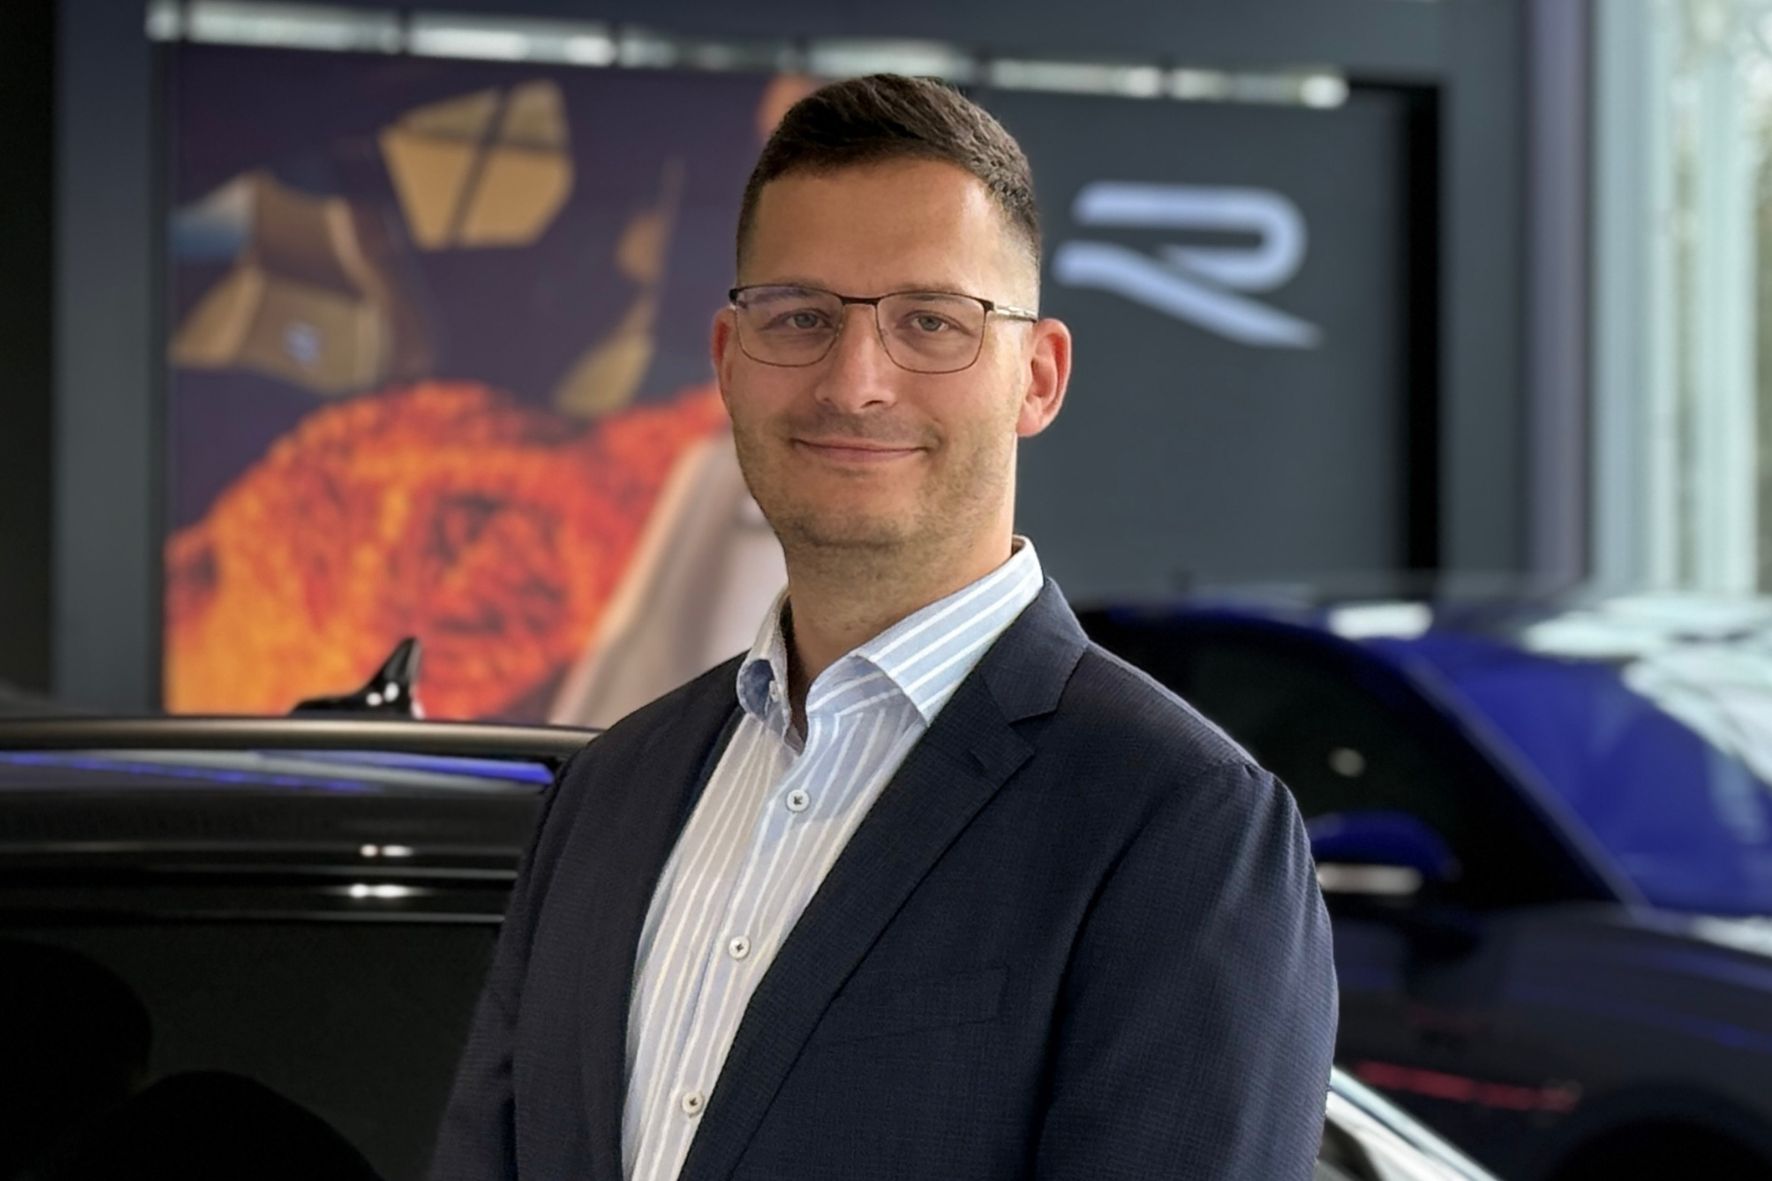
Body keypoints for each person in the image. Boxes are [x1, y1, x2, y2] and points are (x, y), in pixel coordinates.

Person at [431, 73, 1336, 1181]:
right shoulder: (609, 789)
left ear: (1037, 377)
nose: (855, 382)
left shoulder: (1180, 821)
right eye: (800, 317)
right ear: (727, 359)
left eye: (931, 322)